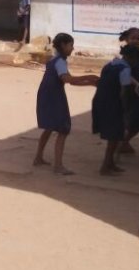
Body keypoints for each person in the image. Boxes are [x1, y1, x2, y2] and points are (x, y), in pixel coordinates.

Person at [32, 33, 98, 175]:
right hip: (54, 97)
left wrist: (90, 82)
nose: (72, 49)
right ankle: (58, 166)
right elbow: (68, 79)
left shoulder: (54, 59)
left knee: (49, 127)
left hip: (47, 95)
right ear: (63, 45)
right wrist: (90, 78)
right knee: (63, 129)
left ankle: (38, 157)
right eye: (71, 45)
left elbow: (69, 81)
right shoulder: (60, 62)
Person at [92, 44, 139, 175]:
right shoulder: (125, 70)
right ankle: (105, 166)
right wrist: (124, 109)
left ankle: (111, 164)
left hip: (101, 101)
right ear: (133, 59)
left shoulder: (110, 64)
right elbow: (124, 92)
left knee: (113, 136)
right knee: (114, 137)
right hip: (113, 104)